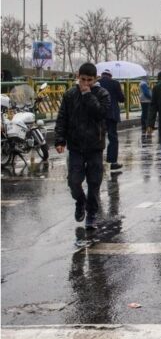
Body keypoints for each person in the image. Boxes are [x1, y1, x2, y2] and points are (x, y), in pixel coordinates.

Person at [54, 63, 111, 228]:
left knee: (94, 183)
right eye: (82, 79)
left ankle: (92, 213)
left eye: (89, 80)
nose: (85, 83)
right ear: (78, 76)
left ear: (95, 79)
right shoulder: (70, 95)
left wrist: (87, 95)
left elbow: (101, 113)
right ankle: (80, 202)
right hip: (76, 146)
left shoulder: (101, 94)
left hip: (95, 146)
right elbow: (62, 118)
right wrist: (59, 140)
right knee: (74, 181)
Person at [97, 69, 125, 171]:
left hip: (99, 114)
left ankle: (97, 161)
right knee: (113, 138)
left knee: (99, 137)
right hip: (112, 114)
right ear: (110, 75)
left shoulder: (97, 83)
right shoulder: (115, 83)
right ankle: (113, 162)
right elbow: (122, 98)